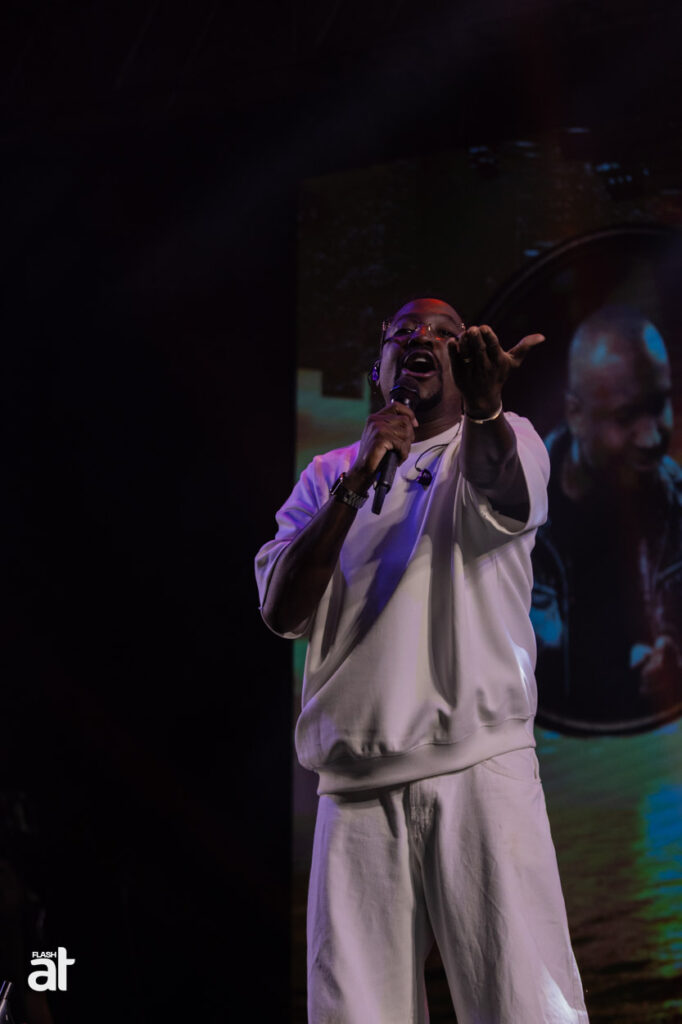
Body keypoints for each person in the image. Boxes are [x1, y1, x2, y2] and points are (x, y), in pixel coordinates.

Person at [255, 297, 588, 1023]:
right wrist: (355, 482)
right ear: (379, 368)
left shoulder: (505, 438)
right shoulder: (327, 475)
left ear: (464, 365)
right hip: (354, 791)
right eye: (405, 332)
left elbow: (507, 500)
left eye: (442, 333)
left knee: (522, 1005)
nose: (422, 338)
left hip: (480, 770)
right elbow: (282, 611)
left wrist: (489, 408)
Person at [531, 306, 682, 735]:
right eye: (625, 416)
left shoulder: (676, 506)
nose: (651, 437)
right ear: (575, 415)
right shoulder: (509, 511)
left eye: (659, 405)